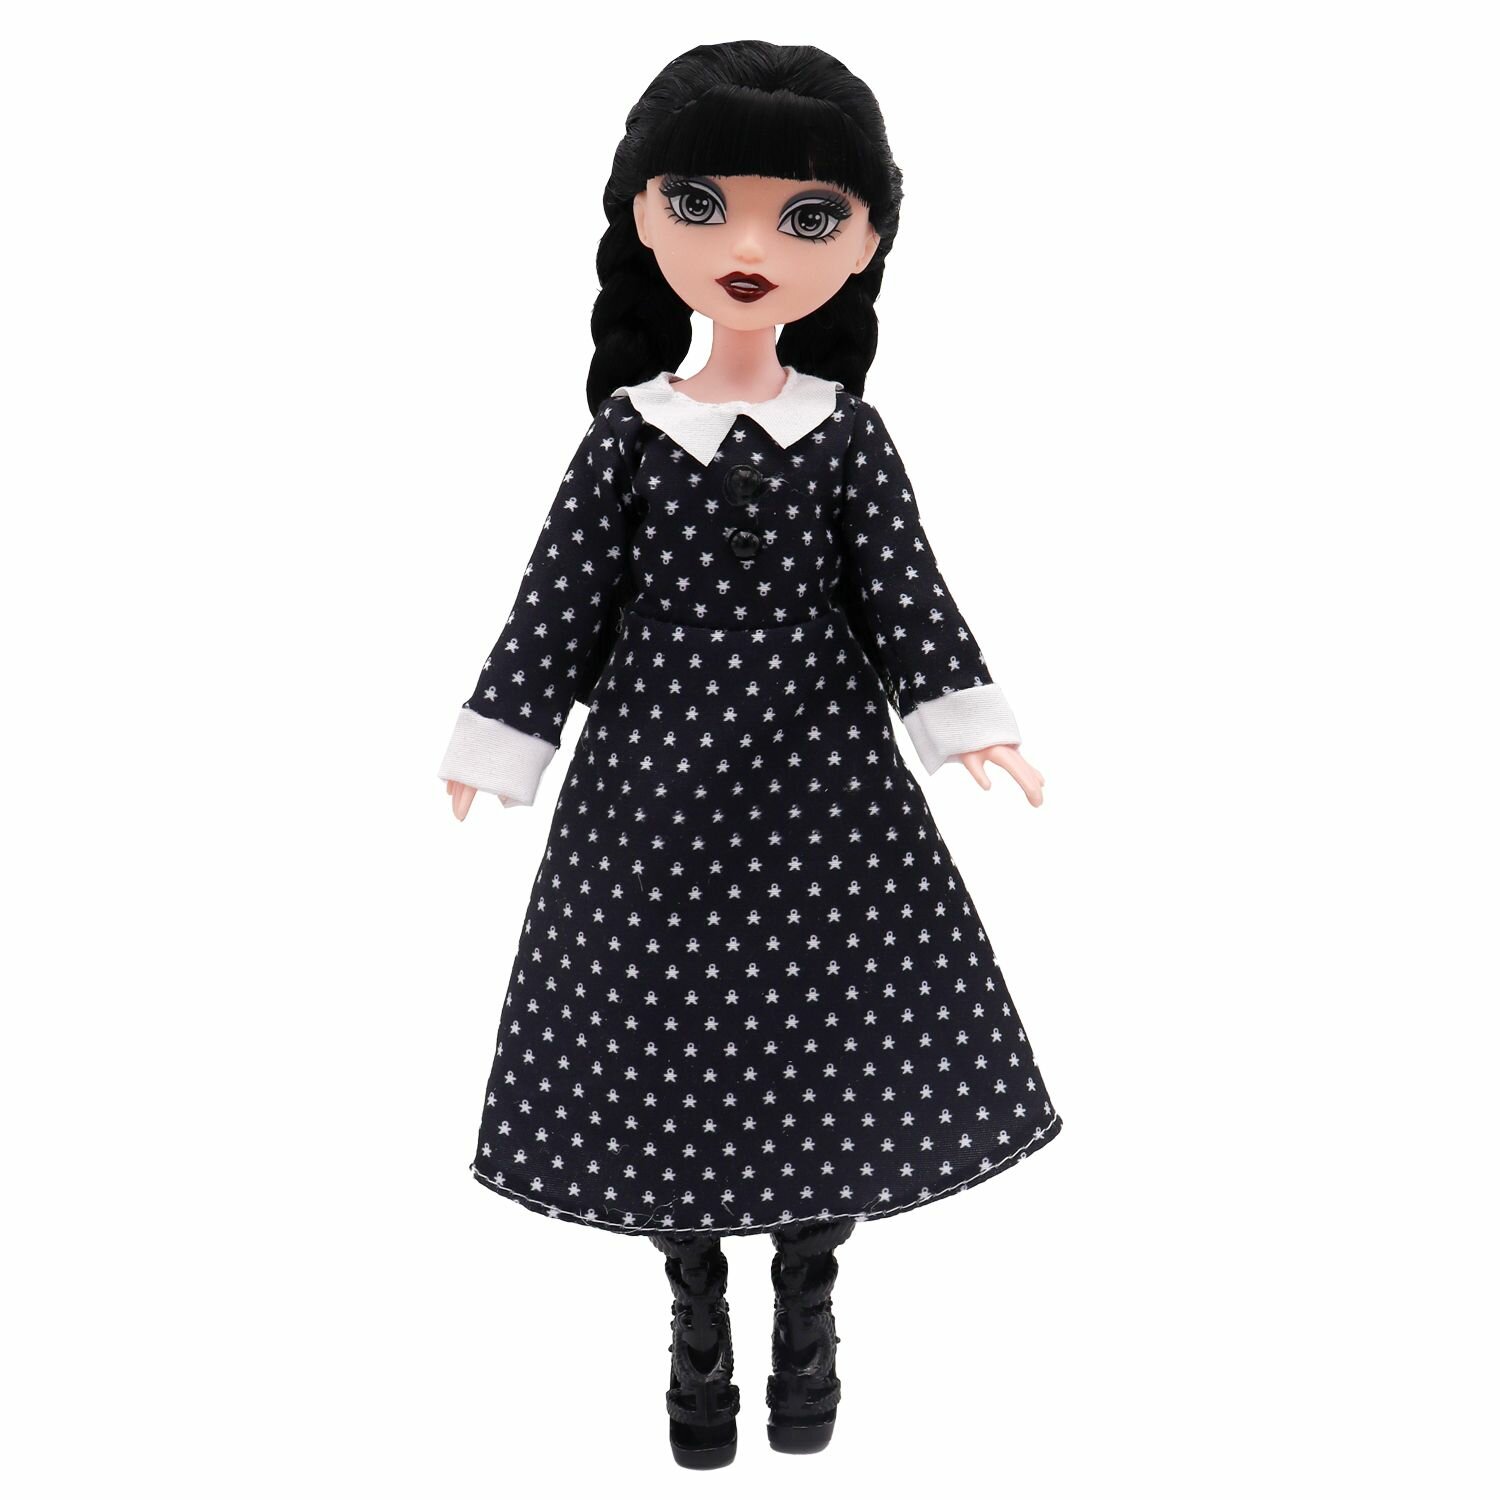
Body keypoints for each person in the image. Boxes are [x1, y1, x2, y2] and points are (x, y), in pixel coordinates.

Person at [438, 39, 1063, 1466]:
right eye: (703, 204)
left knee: (831, 1040)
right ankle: (695, 1318)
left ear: (866, 243)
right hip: (651, 804)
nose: (750, 250)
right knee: (661, 1043)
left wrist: (972, 726)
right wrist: (503, 735)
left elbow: (906, 595)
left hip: (828, 802)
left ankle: (810, 1302)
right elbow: (559, 602)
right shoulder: (629, 438)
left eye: (808, 217)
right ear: (642, 217)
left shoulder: (844, 437)